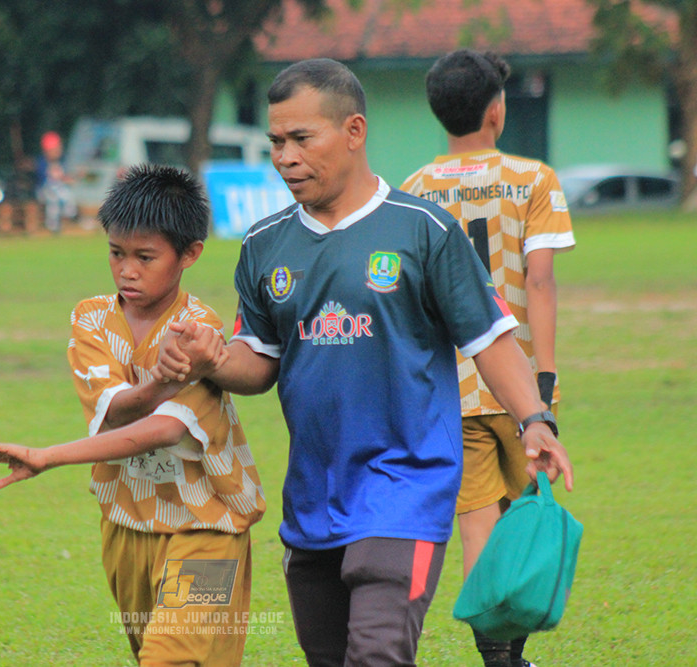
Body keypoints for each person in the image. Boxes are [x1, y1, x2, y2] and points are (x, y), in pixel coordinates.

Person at [155, 58, 574, 667]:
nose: (284, 156)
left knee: (377, 654)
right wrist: (210, 359)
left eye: (302, 138)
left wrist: (535, 418)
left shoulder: (423, 230)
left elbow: (489, 339)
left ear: (354, 131)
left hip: (408, 484)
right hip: (314, 496)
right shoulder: (264, 244)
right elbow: (257, 361)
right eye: (276, 141)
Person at [0, 164, 266, 666]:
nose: (127, 270)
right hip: (126, 523)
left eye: (146, 257)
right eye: (116, 253)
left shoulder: (199, 328)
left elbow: (162, 429)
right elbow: (118, 412)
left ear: (189, 254)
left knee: (169, 660)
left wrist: (48, 456)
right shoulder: (91, 318)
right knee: (153, 652)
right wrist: (166, 380)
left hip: (210, 528)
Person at [400, 49, 576, 667]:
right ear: (497, 111)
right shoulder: (534, 179)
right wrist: (544, 387)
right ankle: (515, 653)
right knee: (524, 513)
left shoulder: (414, 190)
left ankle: (496, 658)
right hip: (519, 383)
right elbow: (540, 281)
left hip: (453, 385)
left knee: (477, 524)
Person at [37, 130, 77, 234]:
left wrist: (70, 179)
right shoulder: (42, 162)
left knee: (68, 196)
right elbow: (45, 179)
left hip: (61, 189)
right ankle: (52, 225)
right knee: (53, 199)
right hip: (45, 190)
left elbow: (67, 177)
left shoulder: (63, 161)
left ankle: (67, 220)